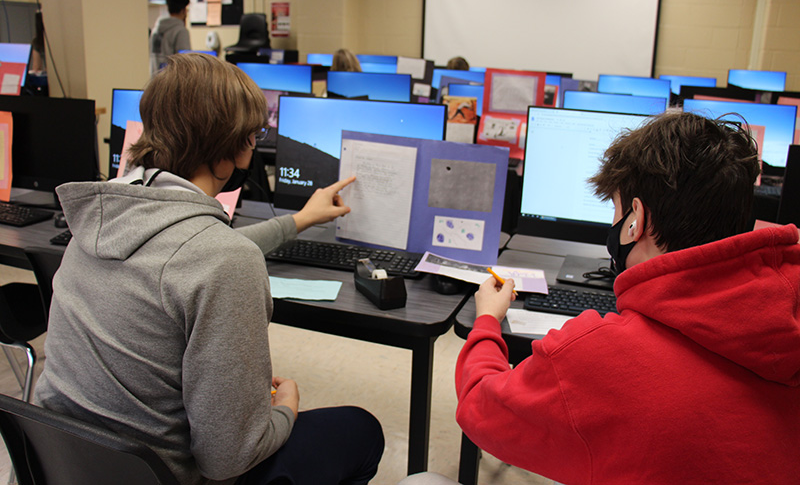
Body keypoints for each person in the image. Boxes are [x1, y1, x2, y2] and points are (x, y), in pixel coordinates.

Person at [34, 53, 384, 485]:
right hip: (172, 476)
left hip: (69, 466)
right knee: (362, 431)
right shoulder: (222, 260)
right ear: (233, 148)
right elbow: (230, 457)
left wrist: (299, 221)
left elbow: (189, 253)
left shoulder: (98, 218)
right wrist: (285, 409)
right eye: (253, 136)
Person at [455, 111, 800, 483]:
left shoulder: (598, 355)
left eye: (616, 209)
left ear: (637, 219)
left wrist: (487, 320)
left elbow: (480, 407)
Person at [150, 0, 192, 76]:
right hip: (171, 81)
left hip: (154, 78)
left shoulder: (156, 29)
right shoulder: (180, 31)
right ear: (183, 11)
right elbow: (186, 61)